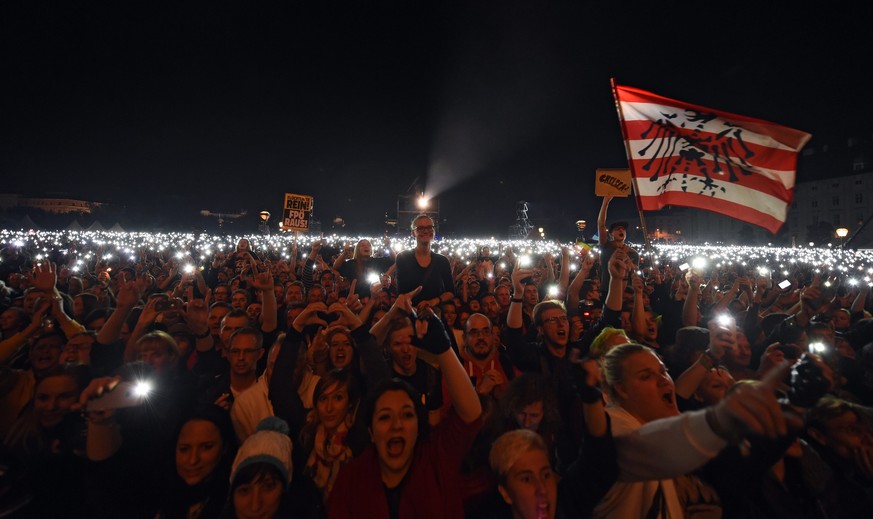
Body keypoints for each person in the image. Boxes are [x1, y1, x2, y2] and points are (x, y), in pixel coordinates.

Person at [326, 301, 483, 518]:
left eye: (407, 415)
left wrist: (444, 349)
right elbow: (371, 362)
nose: (397, 425)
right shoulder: (352, 480)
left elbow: (471, 416)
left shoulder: (435, 461)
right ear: (371, 431)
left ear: (419, 425)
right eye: (384, 417)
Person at [394, 215, 454, 310]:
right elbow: (401, 293)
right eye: (420, 228)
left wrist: (433, 302)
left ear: (434, 231)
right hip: (411, 314)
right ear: (413, 233)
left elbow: (451, 292)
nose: (426, 231)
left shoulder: (442, 261)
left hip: (435, 315)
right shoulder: (403, 258)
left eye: (430, 227)